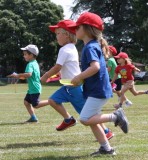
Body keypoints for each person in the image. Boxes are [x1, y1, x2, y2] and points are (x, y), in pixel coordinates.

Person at [40, 20, 113, 140]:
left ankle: (106, 131)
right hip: (68, 85)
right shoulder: (72, 48)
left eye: (58, 33)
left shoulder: (64, 49)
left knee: (87, 115)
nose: (56, 36)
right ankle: (68, 119)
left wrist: (46, 76)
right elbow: (66, 66)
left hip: (74, 87)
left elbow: (58, 66)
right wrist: (59, 75)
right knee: (53, 100)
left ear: (67, 35)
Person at [70, 12, 129, 156]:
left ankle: (116, 116)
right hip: (96, 90)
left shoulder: (90, 47)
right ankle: (106, 149)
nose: (75, 30)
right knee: (92, 120)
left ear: (87, 29)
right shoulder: (92, 46)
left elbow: (95, 67)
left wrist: (79, 77)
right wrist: (82, 79)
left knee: (85, 119)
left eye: (78, 27)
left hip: (98, 91)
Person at [8, 45, 49, 122]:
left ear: (31, 55)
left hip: (34, 88)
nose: (24, 56)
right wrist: (17, 76)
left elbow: (28, 74)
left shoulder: (30, 64)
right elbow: (26, 76)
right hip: (32, 88)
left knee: (36, 105)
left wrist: (17, 75)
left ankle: (51, 101)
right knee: (26, 102)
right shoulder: (35, 63)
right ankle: (33, 118)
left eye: (25, 54)